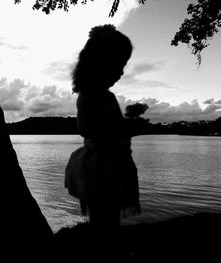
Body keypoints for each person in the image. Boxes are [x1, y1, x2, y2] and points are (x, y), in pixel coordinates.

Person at [65, 24, 147, 251]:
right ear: (100, 64)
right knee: (104, 224)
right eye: (119, 65)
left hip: (111, 167)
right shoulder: (91, 94)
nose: (121, 72)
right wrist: (128, 128)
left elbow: (111, 125)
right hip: (102, 171)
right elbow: (87, 128)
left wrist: (129, 121)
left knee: (107, 223)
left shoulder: (102, 95)